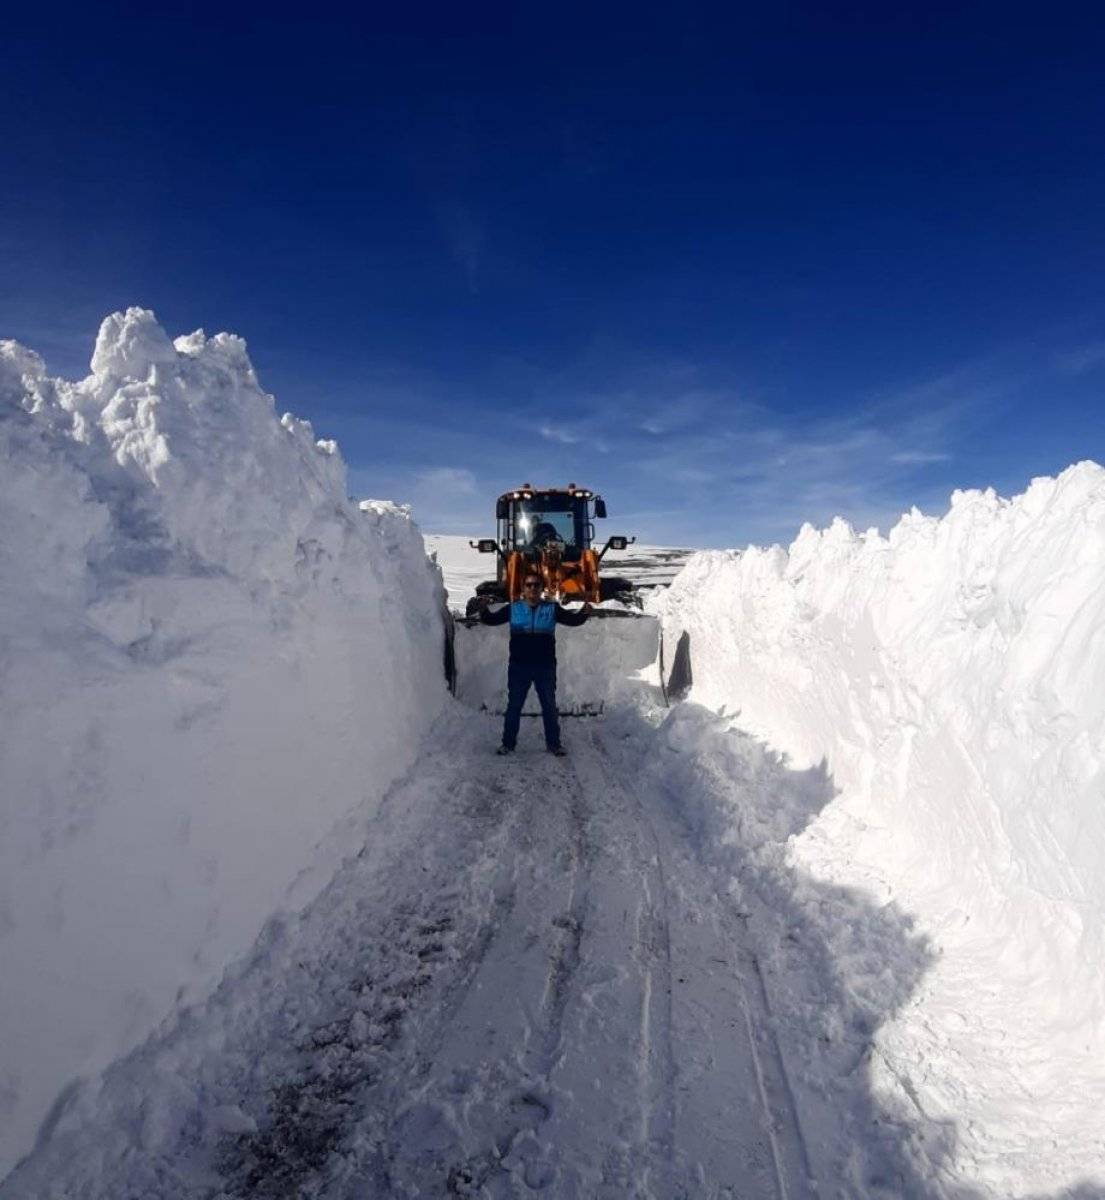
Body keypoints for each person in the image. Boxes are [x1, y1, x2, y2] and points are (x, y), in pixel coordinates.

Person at [477, 573, 592, 755]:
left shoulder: (551, 609)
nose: (532, 588)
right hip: (519, 667)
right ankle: (508, 744)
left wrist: (584, 613)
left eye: (536, 585)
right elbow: (491, 620)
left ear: (541, 588)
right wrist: (483, 610)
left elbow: (572, 620)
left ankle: (554, 745)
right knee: (514, 706)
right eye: (529, 585)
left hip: (544, 667)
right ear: (523, 588)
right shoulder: (513, 609)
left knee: (548, 706)